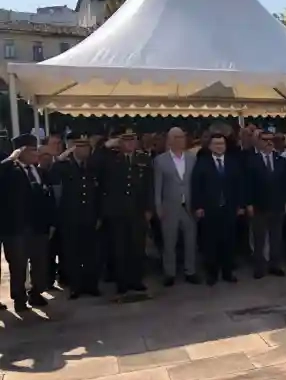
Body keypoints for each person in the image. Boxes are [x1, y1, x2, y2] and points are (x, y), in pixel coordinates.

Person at [91, 128, 154, 296]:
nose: (130, 143)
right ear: (120, 142)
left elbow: (149, 185)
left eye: (132, 139)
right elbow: (93, 165)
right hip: (116, 211)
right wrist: (105, 146)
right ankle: (122, 282)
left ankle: (136, 280)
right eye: (126, 140)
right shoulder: (110, 158)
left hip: (137, 210)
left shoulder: (143, 158)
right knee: (119, 249)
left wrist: (149, 208)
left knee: (137, 247)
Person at [0, 134, 55, 312]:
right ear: (20, 152)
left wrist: (50, 222)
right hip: (16, 228)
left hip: (38, 226)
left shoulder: (39, 172)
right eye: (31, 150)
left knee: (39, 263)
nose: (36, 154)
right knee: (18, 265)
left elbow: (48, 198)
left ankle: (36, 293)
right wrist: (10, 159)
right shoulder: (9, 172)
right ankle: (19, 298)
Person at [48, 133, 101, 298]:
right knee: (72, 254)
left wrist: (98, 215)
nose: (85, 150)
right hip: (70, 218)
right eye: (81, 146)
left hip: (90, 217)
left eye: (87, 146)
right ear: (74, 148)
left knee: (91, 253)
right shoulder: (63, 166)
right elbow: (54, 186)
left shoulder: (92, 166)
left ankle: (91, 285)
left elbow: (98, 193)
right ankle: (75, 286)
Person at [191, 133, 245, 285]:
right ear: (210, 146)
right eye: (216, 144)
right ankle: (212, 274)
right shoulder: (202, 163)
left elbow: (240, 185)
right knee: (211, 243)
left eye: (222, 144)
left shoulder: (233, 162)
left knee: (229, 242)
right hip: (210, 209)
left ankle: (228, 272)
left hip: (229, 209)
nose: (219, 146)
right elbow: (196, 186)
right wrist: (198, 206)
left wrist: (240, 205)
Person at [154, 127, 200, 287]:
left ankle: (190, 271)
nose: (181, 140)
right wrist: (158, 207)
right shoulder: (160, 160)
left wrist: (198, 205)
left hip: (189, 206)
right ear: (170, 140)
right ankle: (170, 273)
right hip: (169, 207)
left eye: (183, 137)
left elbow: (196, 183)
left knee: (190, 240)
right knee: (169, 241)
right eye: (178, 138)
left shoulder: (192, 158)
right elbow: (157, 186)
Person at [247, 129, 286, 279]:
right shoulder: (252, 161)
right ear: (259, 142)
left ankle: (275, 265)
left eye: (271, 140)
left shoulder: (281, 160)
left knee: (276, 237)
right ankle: (259, 267)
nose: (269, 143)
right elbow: (247, 184)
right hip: (259, 205)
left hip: (277, 205)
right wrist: (248, 203)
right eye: (265, 140)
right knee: (259, 239)